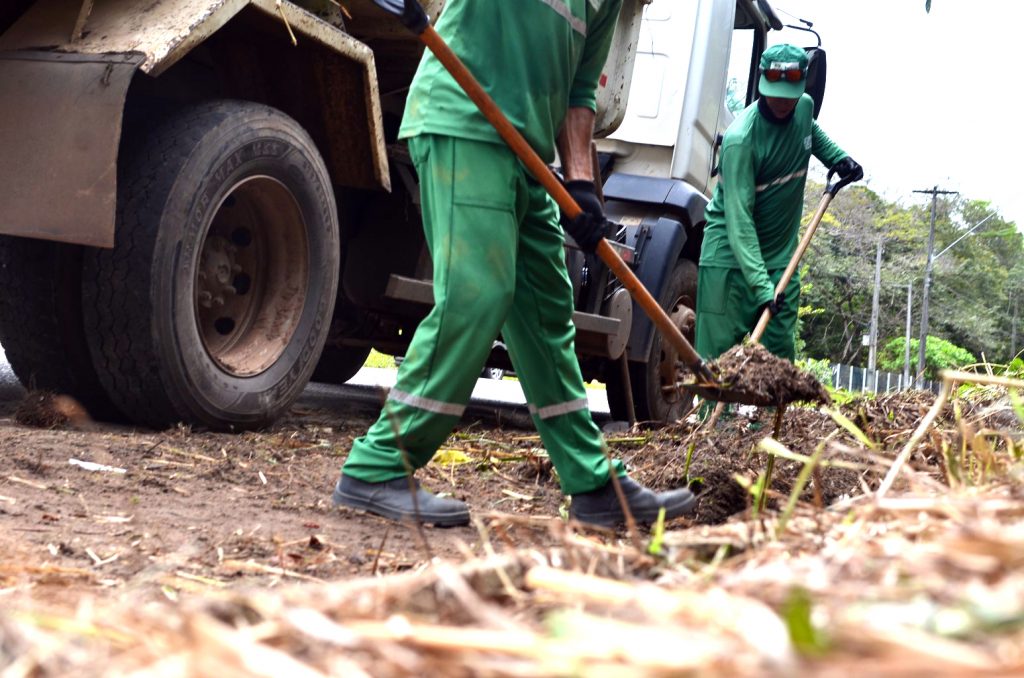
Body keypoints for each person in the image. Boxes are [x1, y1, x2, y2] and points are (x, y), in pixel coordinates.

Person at [330, 0, 696, 528]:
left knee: (548, 316)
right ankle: (378, 466)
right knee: (478, 295)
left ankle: (592, 484)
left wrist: (582, 187)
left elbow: (578, 95)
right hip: (462, 122)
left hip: (527, 156)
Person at [695, 43, 864, 363]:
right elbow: (739, 221)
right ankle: (707, 415)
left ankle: (767, 416)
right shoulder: (741, 140)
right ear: (762, 82)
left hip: (781, 260)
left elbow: (809, 131)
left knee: (778, 361)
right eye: (776, 92)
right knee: (715, 361)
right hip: (729, 262)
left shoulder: (803, 107)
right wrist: (761, 287)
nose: (784, 102)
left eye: (791, 93)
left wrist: (838, 158)